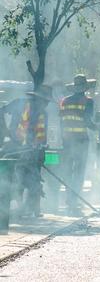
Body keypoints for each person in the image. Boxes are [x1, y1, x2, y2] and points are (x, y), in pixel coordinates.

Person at [4, 85, 53, 217]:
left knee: (25, 179)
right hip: (20, 151)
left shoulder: (21, 103)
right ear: (39, 98)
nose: (47, 104)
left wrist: (41, 146)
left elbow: (41, 135)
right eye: (46, 101)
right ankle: (24, 209)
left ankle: (31, 209)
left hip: (30, 150)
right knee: (28, 180)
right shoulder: (37, 111)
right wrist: (6, 132)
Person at [60, 75, 96, 215]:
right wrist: (98, 127)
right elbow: (87, 121)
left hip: (67, 141)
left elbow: (61, 121)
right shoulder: (88, 101)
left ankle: (69, 199)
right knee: (79, 172)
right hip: (81, 141)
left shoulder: (64, 101)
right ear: (85, 88)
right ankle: (74, 200)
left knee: (68, 172)